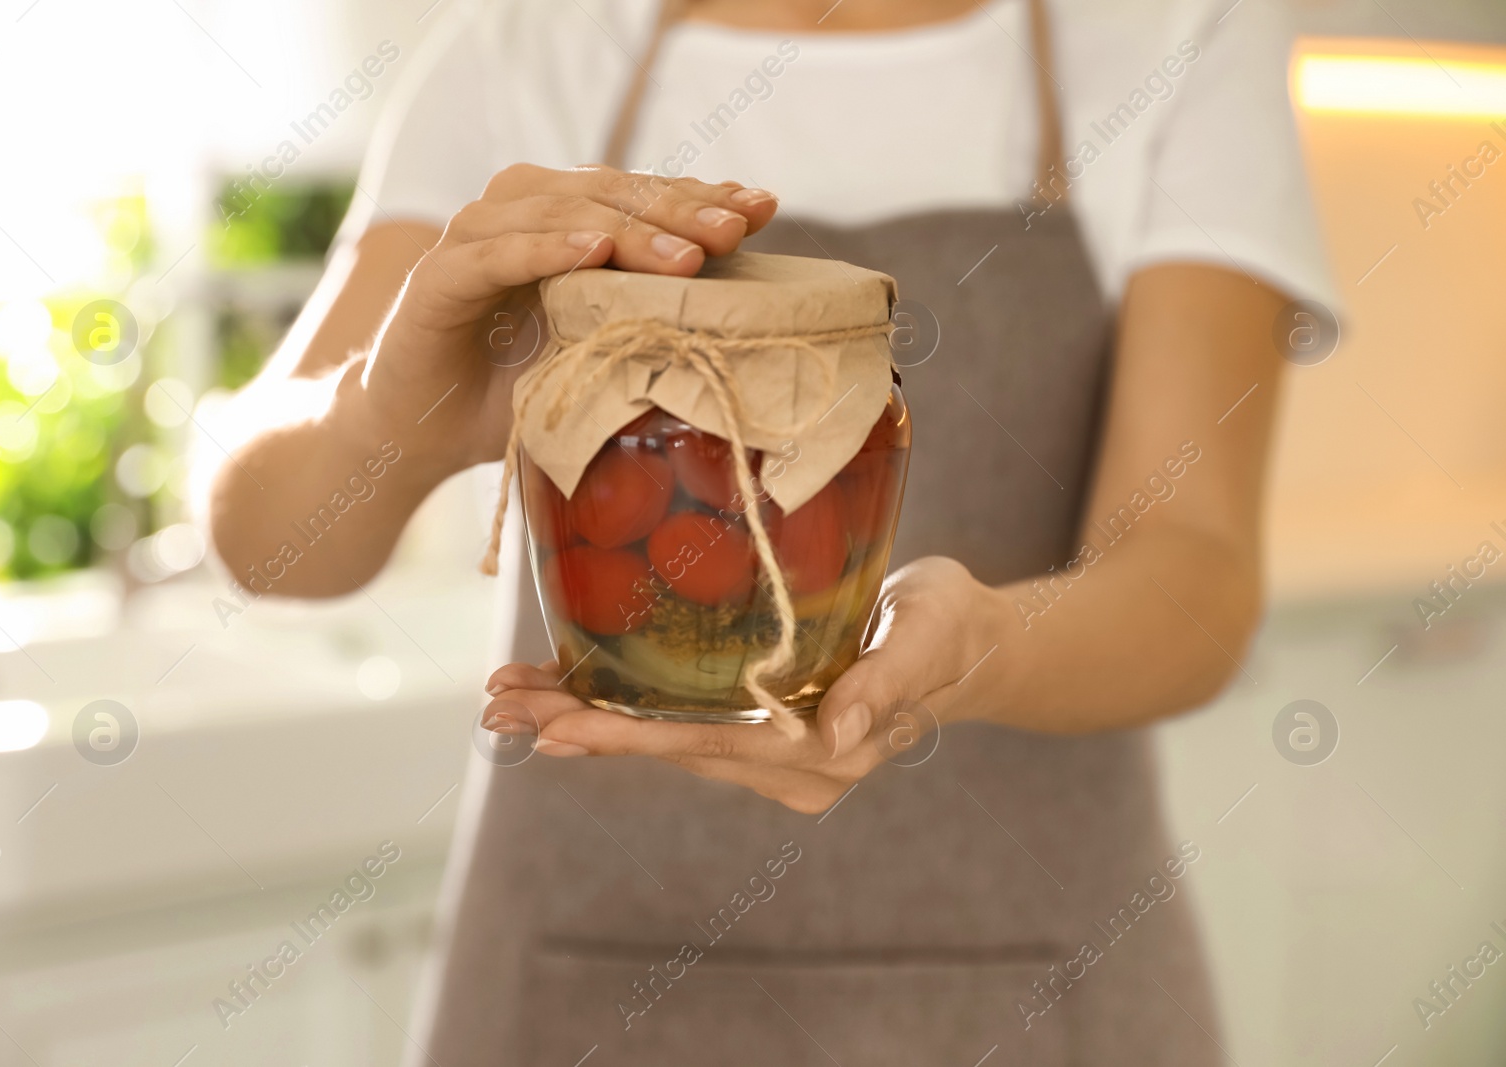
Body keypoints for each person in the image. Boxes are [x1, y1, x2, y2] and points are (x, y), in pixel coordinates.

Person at [206, 0, 1333, 1061]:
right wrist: (387, 418)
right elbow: (269, 545)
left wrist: (977, 647)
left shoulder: (1175, 31)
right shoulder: (527, 42)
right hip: (572, 975)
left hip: (1042, 975)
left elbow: (1194, 575)